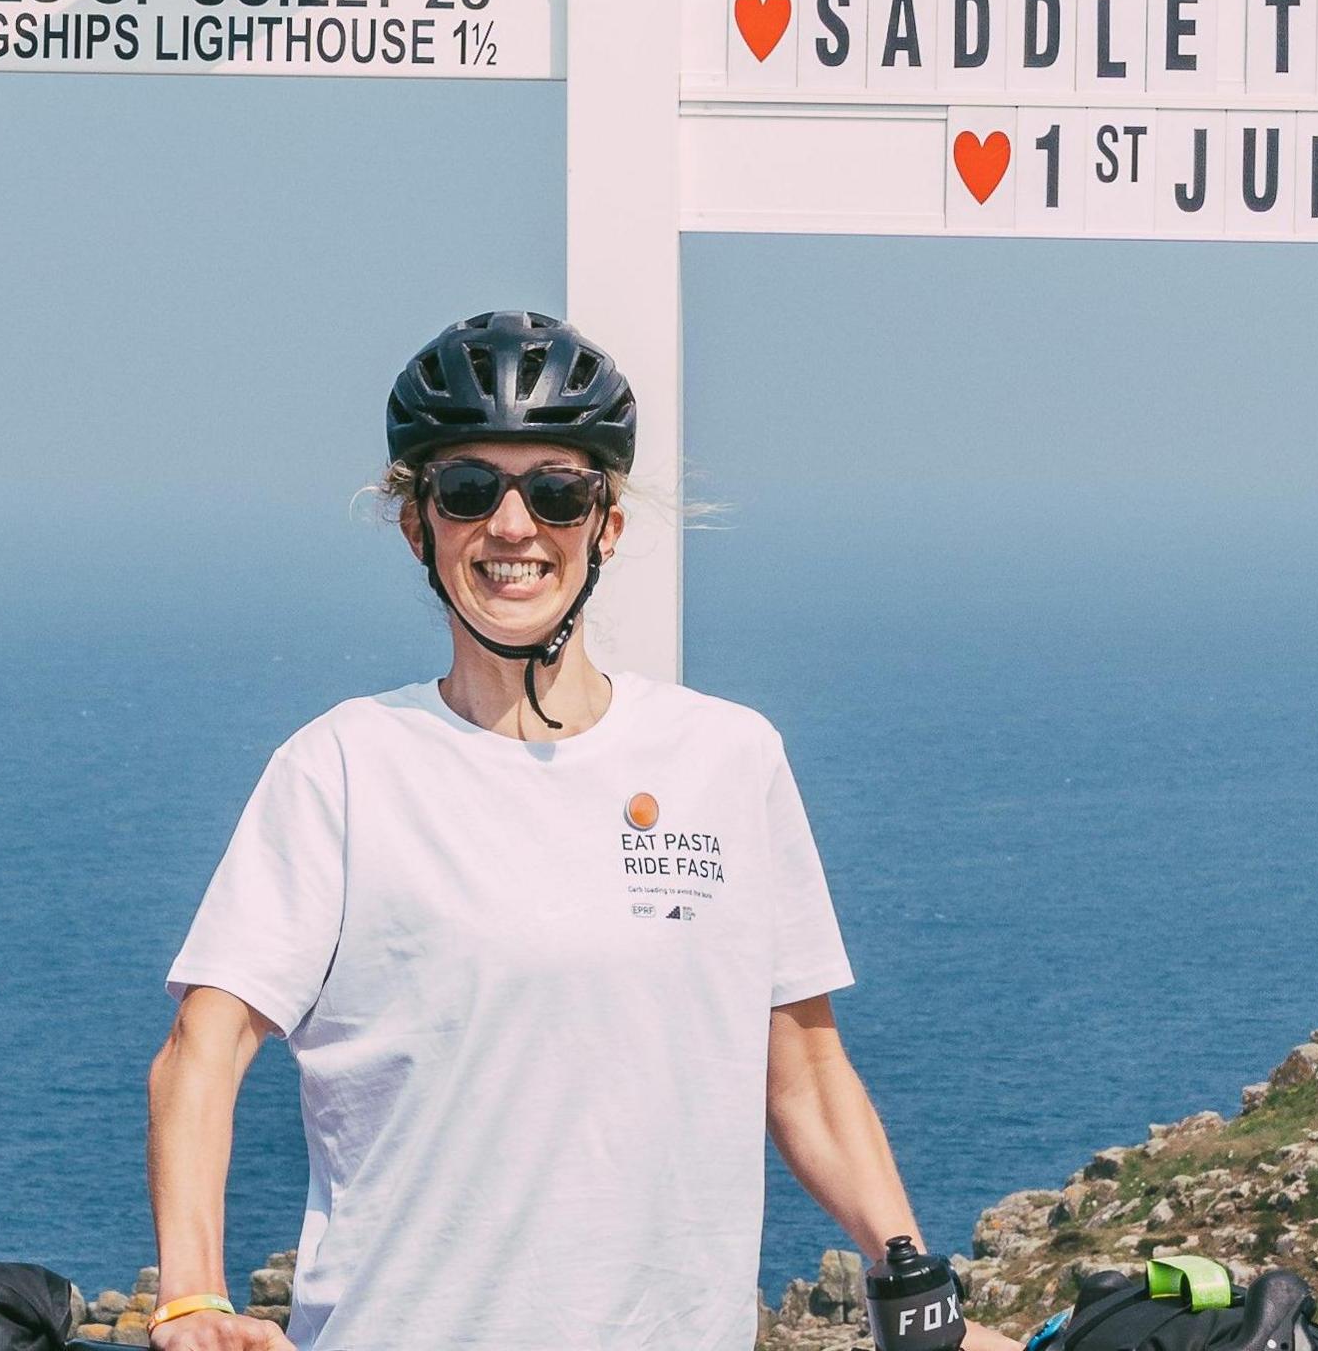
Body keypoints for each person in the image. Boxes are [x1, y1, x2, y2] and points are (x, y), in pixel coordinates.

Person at [142, 311, 1017, 1351]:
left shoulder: (730, 759)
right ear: (418, 524)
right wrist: (192, 1297)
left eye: (555, 491)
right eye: (470, 489)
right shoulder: (340, 767)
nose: (513, 526)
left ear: (605, 525)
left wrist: (913, 1289)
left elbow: (806, 1069)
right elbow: (202, 1048)